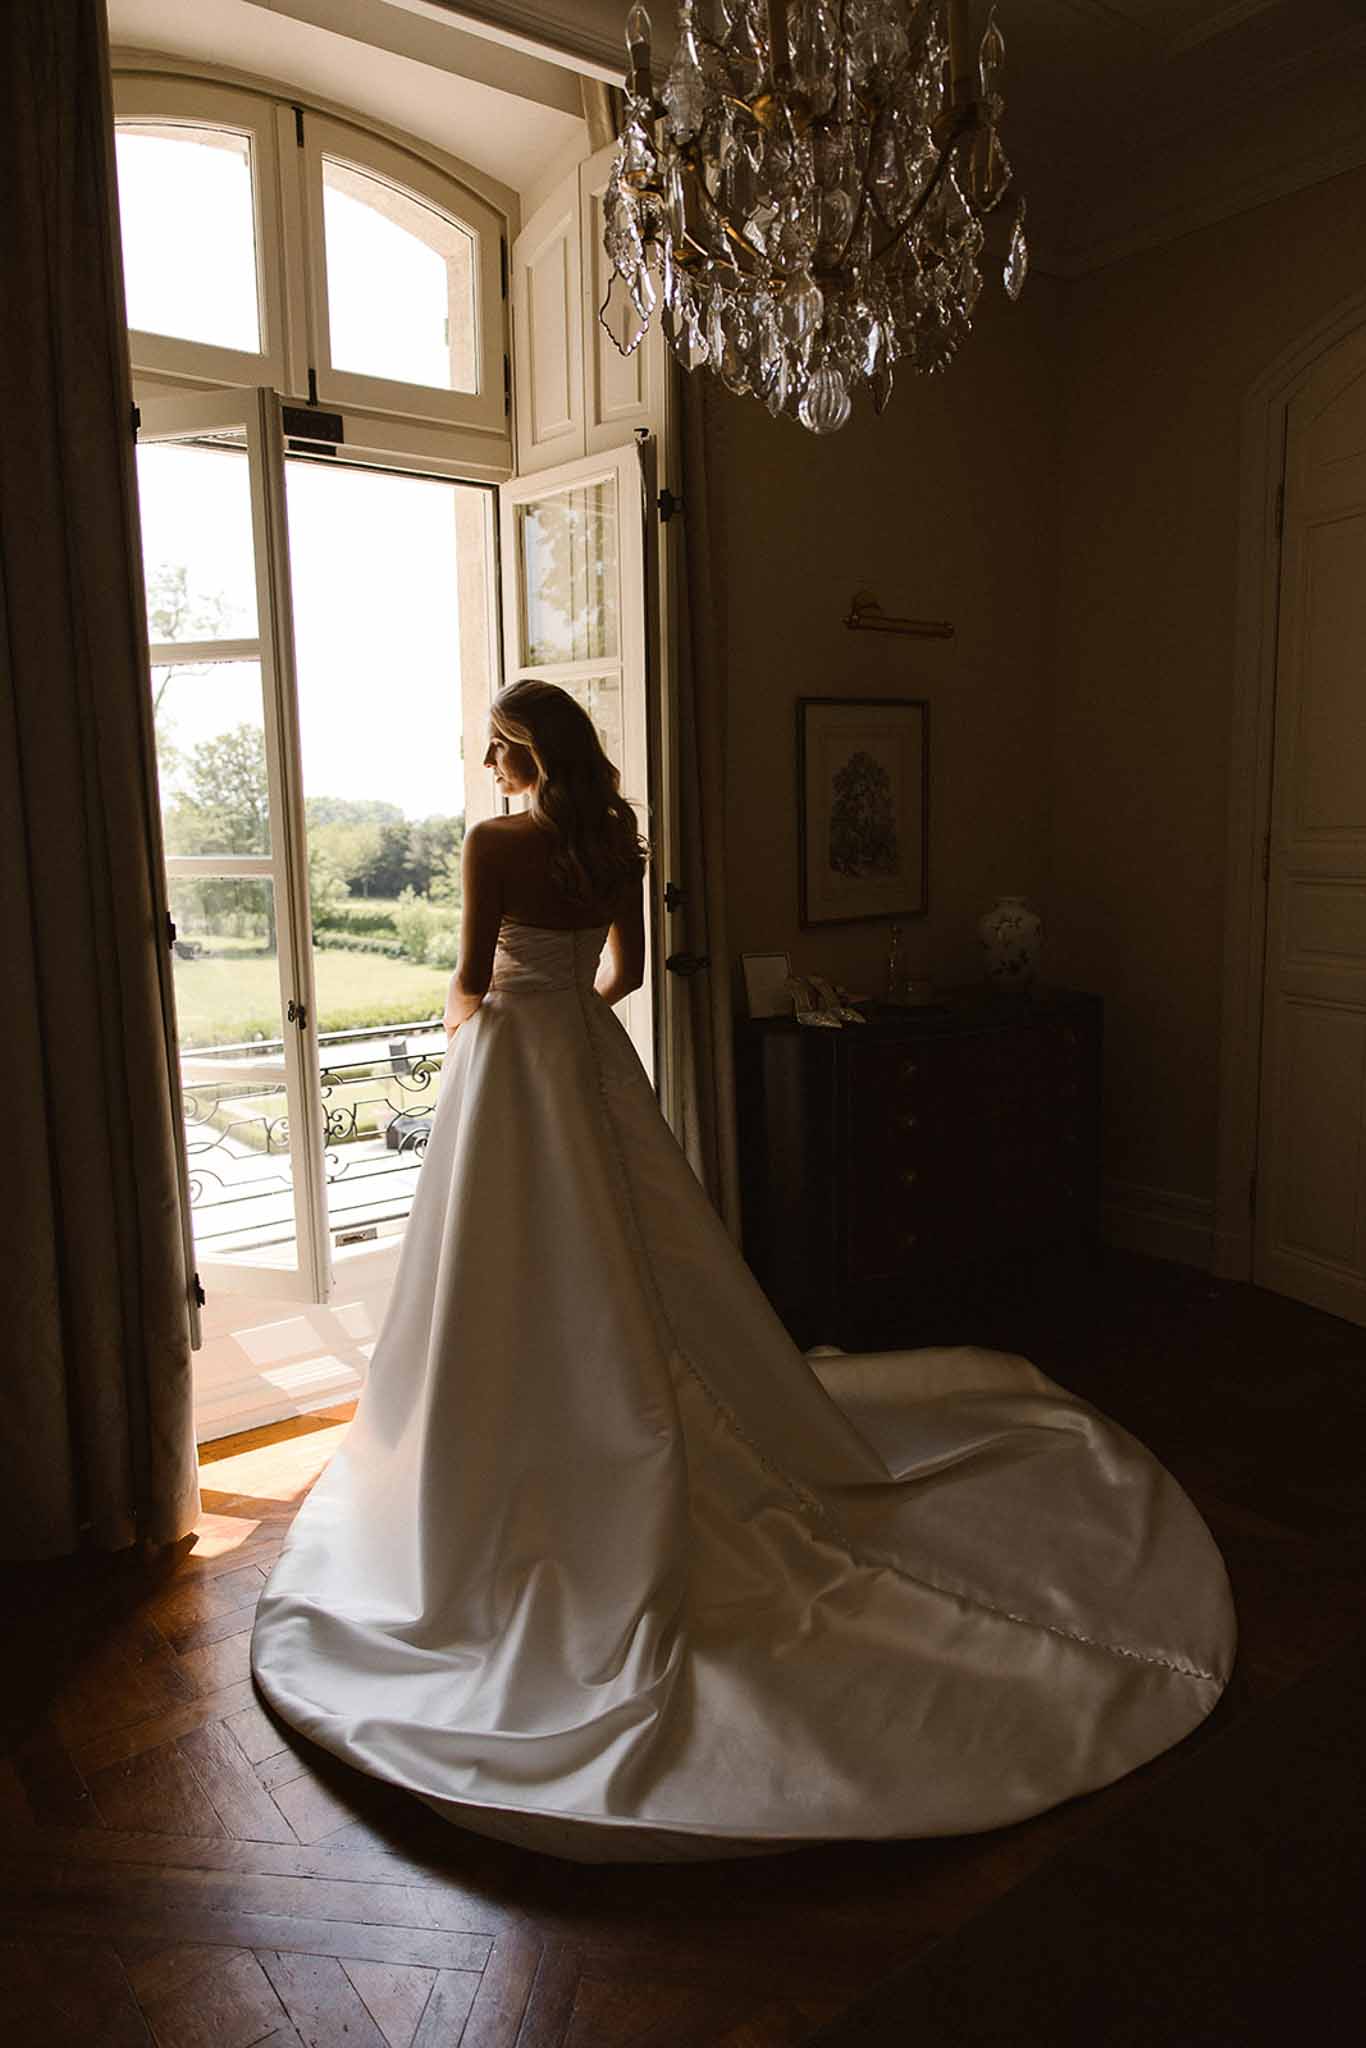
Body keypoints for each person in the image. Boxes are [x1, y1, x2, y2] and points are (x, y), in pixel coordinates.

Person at [251, 680, 1235, 1863]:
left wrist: (481, 1020)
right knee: (634, 1258)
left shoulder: (492, 843)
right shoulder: (614, 841)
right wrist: (559, 1008)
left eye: (497, 744)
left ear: (524, 752)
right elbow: (619, 974)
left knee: (508, 1271)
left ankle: (508, 1440)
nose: (487, 759)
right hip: (588, 1058)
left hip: (511, 1066)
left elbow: (464, 975)